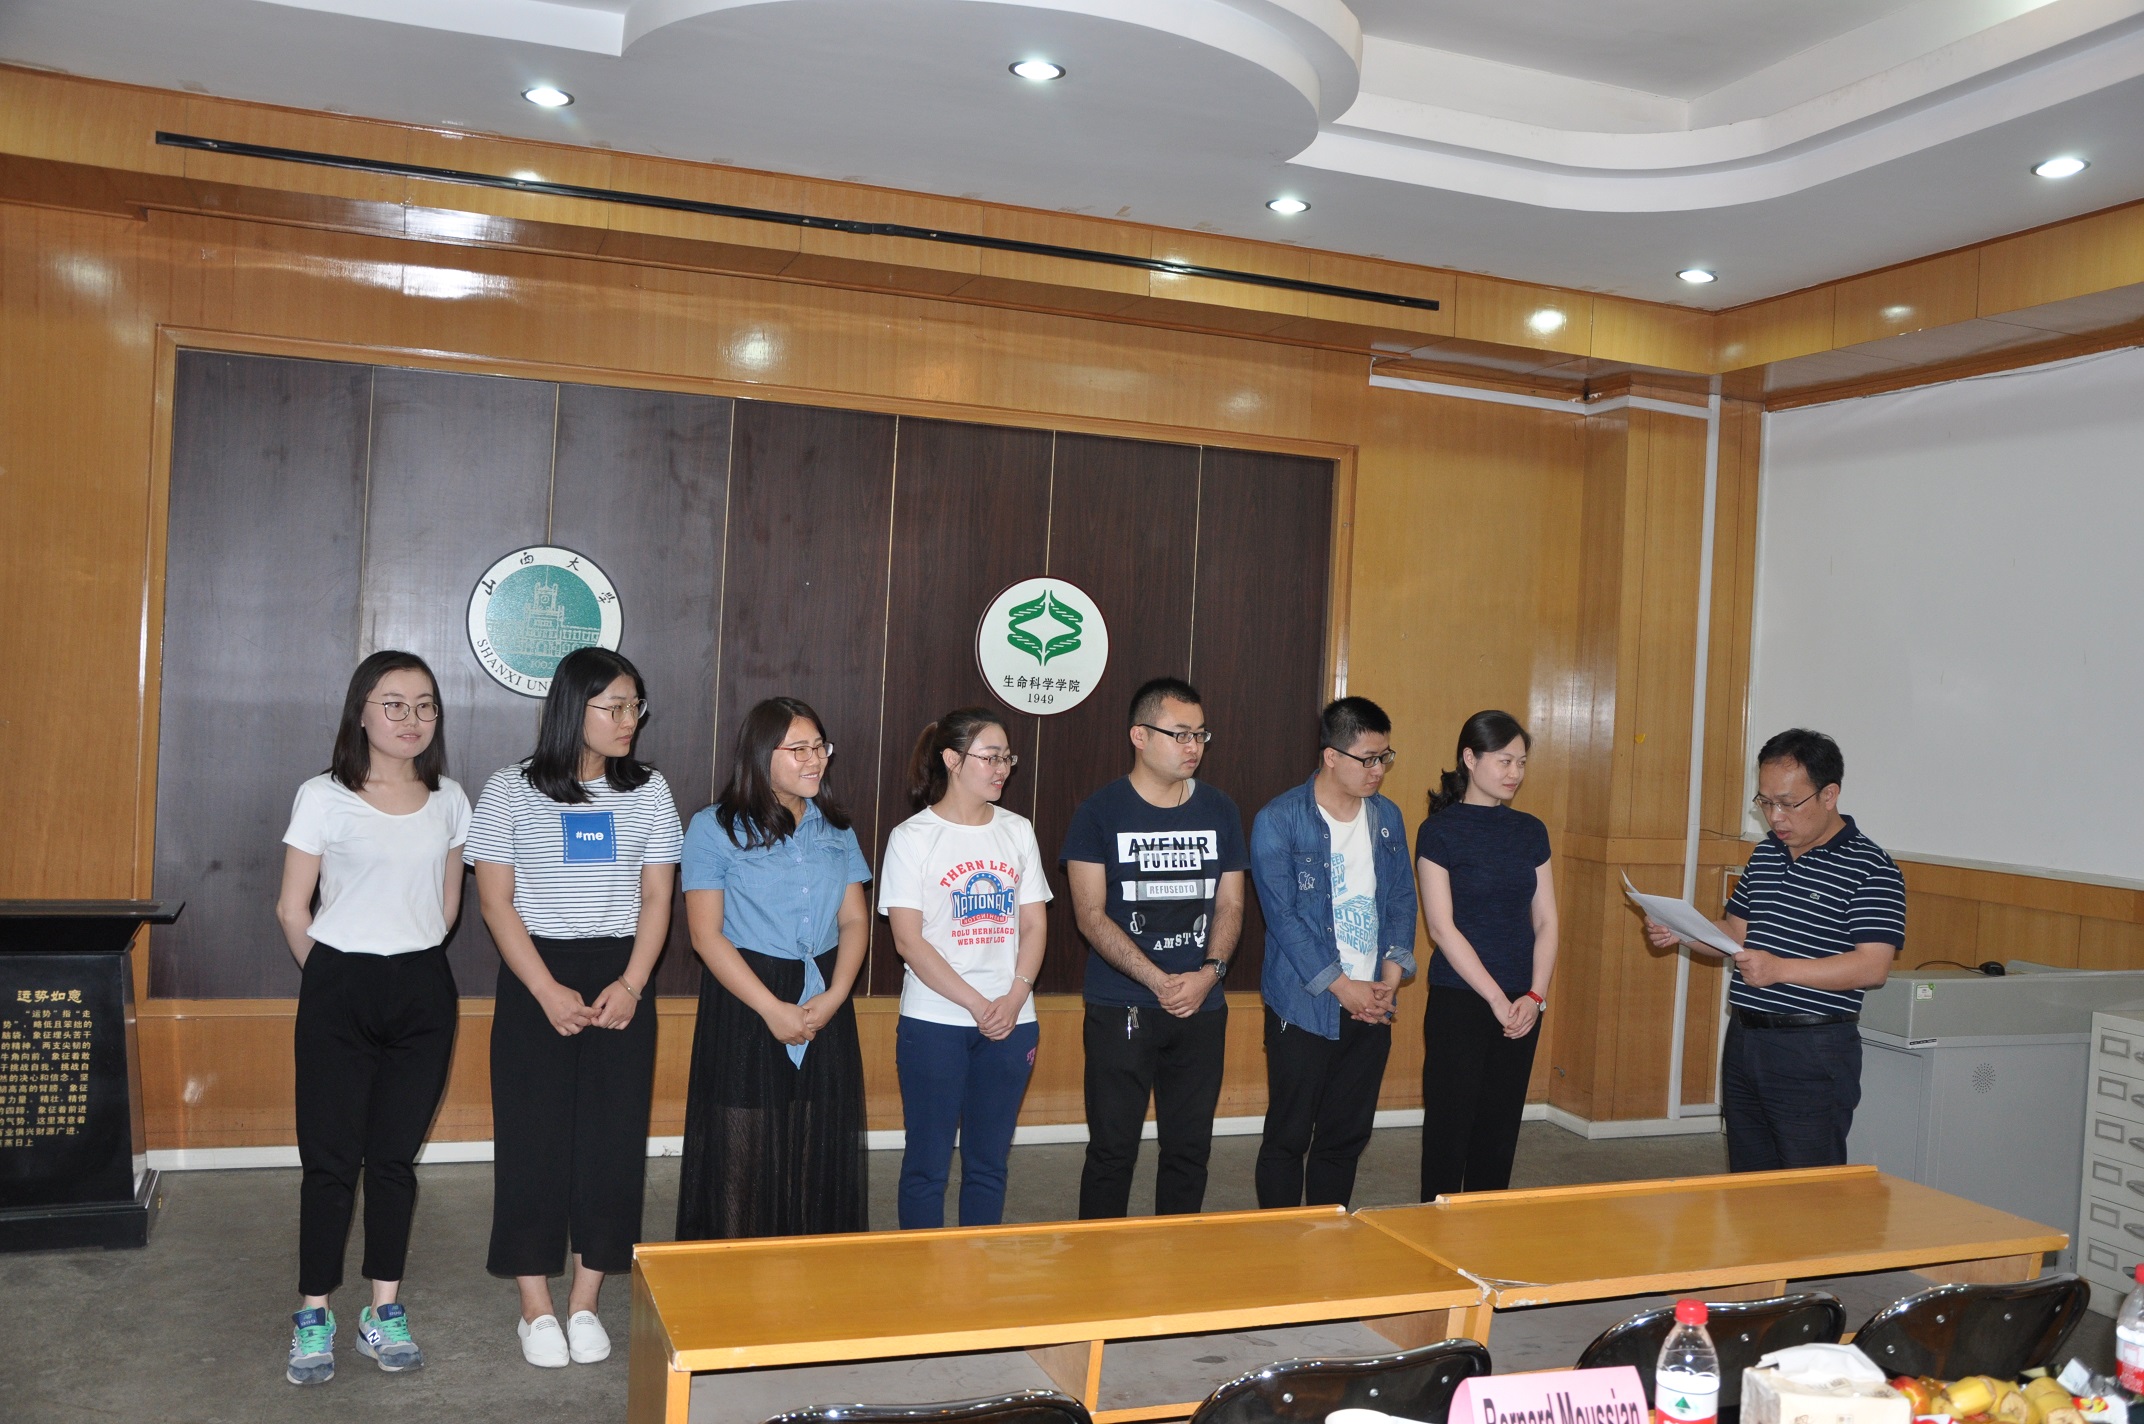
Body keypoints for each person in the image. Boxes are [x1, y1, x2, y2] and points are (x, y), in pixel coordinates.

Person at [466, 647, 681, 1369]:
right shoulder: (509, 789)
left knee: (612, 1142)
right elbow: (495, 902)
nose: (629, 720)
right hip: (538, 975)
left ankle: (586, 1300)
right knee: (532, 1140)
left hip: (621, 973)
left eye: (634, 707)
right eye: (613, 707)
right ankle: (535, 1306)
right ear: (572, 708)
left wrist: (633, 984)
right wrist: (544, 990)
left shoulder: (649, 790)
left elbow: (657, 896)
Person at [275, 651, 470, 1386]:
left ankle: (383, 1309)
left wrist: (401, 962)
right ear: (361, 711)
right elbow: (292, 908)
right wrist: (334, 976)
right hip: (338, 984)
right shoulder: (323, 795)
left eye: (425, 706)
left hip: (422, 987)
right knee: (330, 1163)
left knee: (392, 1161)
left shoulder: (450, 798)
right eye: (393, 704)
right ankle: (314, 1313)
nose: (411, 719)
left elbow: (447, 906)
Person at [1645, 728, 1904, 1171]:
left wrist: (1780, 970)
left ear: (1829, 795)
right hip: (1746, 1039)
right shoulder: (1767, 855)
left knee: (1806, 1184)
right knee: (1748, 1178)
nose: (1774, 817)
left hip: (1813, 1046)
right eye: (1765, 802)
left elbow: (1872, 966)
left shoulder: (1871, 868)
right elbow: (1734, 932)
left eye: (1787, 803)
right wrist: (1683, 932)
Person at [675, 696, 872, 1239]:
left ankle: (809, 1270)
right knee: (743, 1149)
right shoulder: (714, 827)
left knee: (817, 1143)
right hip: (747, 997)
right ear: (762, 755)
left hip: (823, 993)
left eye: (820, 747)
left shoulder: (836, 829)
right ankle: (738, 1272)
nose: (815, 760)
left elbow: (855, 921)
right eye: (798, 750)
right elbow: (705, 935)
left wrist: (836, 996)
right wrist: (770, 1008)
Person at [1061, 675, 1248, 1218]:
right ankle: (1097, 1263)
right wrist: (1158, 980)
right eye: (1180, 734)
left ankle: (1177, 1257)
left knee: (1189, 1150)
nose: (1194, 746)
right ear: (1139, 736)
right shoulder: (1099, 812)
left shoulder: (1220, 809)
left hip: (1202, 1003)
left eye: (1201, 734)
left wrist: (1209, 973)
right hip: (1122, 1005)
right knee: (1112, 1151)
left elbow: (1231, 904)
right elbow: (1090, 915)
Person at [879, 708, 1051, 1228]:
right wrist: (977, 1004)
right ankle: (920, 1271)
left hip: (1011, 1019)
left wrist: (1014, 997)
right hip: (936, 1022)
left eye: (1007, 758)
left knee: (989, 1164)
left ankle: (980, 1269)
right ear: (952, 760)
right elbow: (908, 941)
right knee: (926, 1165)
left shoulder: (1017, 830)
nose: (1002, 769)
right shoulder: (912, 836)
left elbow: (1034, 925)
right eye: (990, 757)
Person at [1249, 697, 1417, 1208]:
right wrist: (1344, 988)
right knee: (1289, 1135)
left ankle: (1330, 1236)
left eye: (1385, 757)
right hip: (1305, 1003)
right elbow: (1283, 919)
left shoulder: (1387, 817)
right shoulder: (1280, 819)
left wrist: (1387, 982)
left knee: (1345, 1136)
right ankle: (1279, 1239)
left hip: (1372, 1002)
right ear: (1330, 756)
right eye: (1367, 758)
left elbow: (1400, 900)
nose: (1378, 769)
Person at [1415, 709, 1558, 1199]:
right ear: (1470, 759)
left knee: (1499, 1133)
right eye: (1504, 761)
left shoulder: (1530, 831)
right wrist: (1497, 999)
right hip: (1461, 997)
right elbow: (1441, 927)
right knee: (1449, 1131)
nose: (1515, 773)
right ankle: (1434, 1234)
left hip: (1523, 1001)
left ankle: (1488, 1233)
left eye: (1522, 762)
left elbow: (1547, 921)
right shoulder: (1440, 831)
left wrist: (1534, 996)